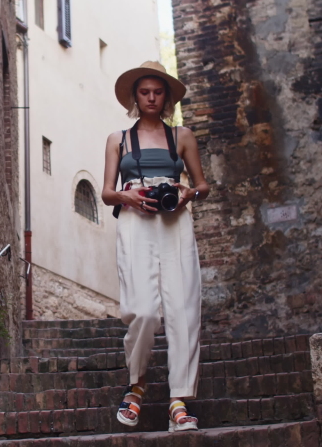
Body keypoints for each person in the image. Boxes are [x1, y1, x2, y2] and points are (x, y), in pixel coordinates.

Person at [101, 61, 209, 432]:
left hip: (174, 221)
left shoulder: (182, 135)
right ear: (135, 96)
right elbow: (106, 192)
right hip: (134, 221)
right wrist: (129, 197)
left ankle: (179, 400)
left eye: (158, 91)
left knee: (182, 308)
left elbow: (202, 185)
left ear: (166, 97)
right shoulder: (118, 139)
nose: (151, 97)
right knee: (143, 310)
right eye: (144, 91)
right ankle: (137, 385)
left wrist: (185, 194)